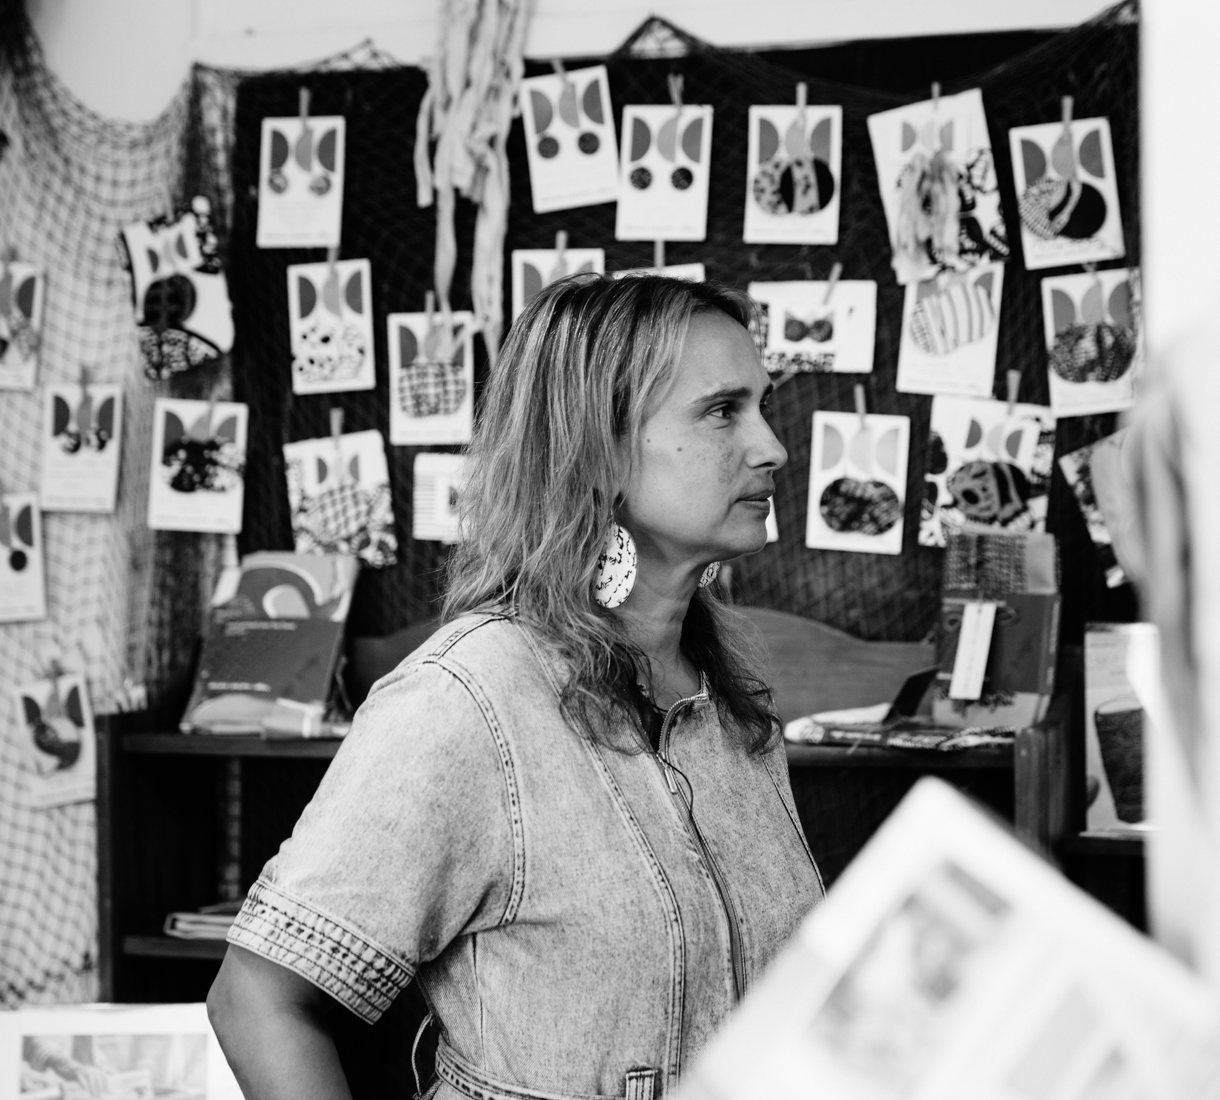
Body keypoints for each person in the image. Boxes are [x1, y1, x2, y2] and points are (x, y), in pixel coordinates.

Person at [208, 275, 824, 1100]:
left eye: (761, 404)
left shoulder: (732, 698)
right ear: (595, 449)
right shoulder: (467, 701)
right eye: (722, 410)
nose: (771, 445)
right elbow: (256, 1001)